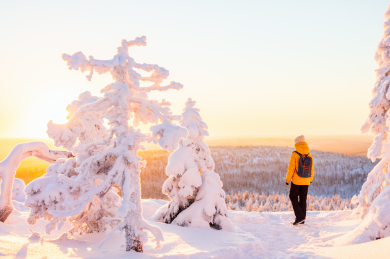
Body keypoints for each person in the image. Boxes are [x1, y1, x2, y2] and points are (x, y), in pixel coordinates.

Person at [285, 135, 315, 225]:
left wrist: (287, 179)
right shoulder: (309, 154)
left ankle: (300, 217)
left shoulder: (294, 154)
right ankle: (302, 219)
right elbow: (312, 169)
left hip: (296, 181)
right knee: (303, 198)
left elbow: (291, 169)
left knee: (293, 196)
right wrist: (310, 179)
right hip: (306, 180)